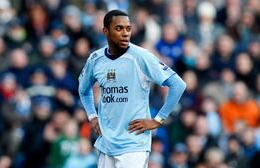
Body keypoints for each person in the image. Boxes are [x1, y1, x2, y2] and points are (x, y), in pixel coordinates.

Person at [78, 9, 186, 167]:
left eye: (128, 28)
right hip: (106, 143)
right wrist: (92, 116)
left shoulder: (141, 56)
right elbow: (83, 89)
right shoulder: (96, 59)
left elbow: (178, 84)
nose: (125, 33)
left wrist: (158, 120)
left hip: (133, 144)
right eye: (119, 28)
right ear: (105, 31)